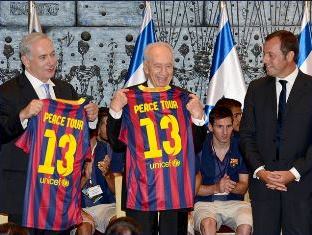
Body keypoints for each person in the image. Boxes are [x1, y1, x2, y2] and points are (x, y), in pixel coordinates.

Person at [0, 32, 98, 233]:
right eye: (43, 57)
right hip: (25, 190)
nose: (51, 62)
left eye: (53, 55)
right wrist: (23, 115)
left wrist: (91, 118)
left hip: (60, 189)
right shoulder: (7, 92)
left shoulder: (65, 89)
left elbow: (78, 133)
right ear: (26, 61)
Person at [107, 42, 207, 235]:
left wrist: (198, 118)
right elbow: (117, 145)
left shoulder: (184, 98)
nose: (164, 72)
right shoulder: (128, 97)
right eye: (157, 66)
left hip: (174, 187)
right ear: (146, 68)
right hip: (140, 188)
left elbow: (195, 146)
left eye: (168, 66)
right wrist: (115, 111)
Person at [240, 30, 312, 235]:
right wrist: (261, 171)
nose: (264, 60)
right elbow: (246, 136)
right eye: (264, 54)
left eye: (270, 55)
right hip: (263, 187)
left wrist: (293, 173)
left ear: (289, 56)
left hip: (302, 187)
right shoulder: (256, 88)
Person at [193, 106, 252, 235]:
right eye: (219, 126)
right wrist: (216, 187)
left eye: (229, 126)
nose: (225, 132)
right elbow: (193, 189)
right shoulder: (199, 146)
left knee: (246, 226)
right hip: (205, 203)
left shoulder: (241, 145)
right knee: (208, 224)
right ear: (210, 127)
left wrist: (230, 186)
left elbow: (243, 187)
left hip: (235, 202)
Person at [74, 107, 122, 235]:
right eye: (107, 124)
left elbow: (117, 192)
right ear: (98, 127)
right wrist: (85, 176)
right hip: (80, 207)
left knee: (119, 223)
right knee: (84, 227)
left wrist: (107, 174)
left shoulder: (113, 150)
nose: (111, 128)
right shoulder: (76, 149)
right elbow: (66, 193)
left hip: (106, 206)